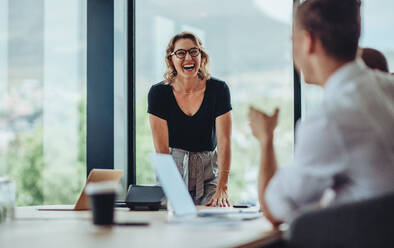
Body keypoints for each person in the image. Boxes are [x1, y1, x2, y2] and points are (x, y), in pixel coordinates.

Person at [249, 0, 394, 225]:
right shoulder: (388, 88)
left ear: (308, 42)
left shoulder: (330, 118)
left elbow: (274, 208)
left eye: (292, 41)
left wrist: (266, 138)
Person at [148, 32, 232, 207]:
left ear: (202, 57)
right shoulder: (158, 94)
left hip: (209, 175)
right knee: (174, 228)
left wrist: (222, 186)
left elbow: (224, 141)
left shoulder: (219, 89)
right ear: (171, 59)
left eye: (194, 52)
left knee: (214, 220)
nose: (188, 57)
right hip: (173, 172)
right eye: (181, 53)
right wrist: (175, 193)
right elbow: (161, 150)